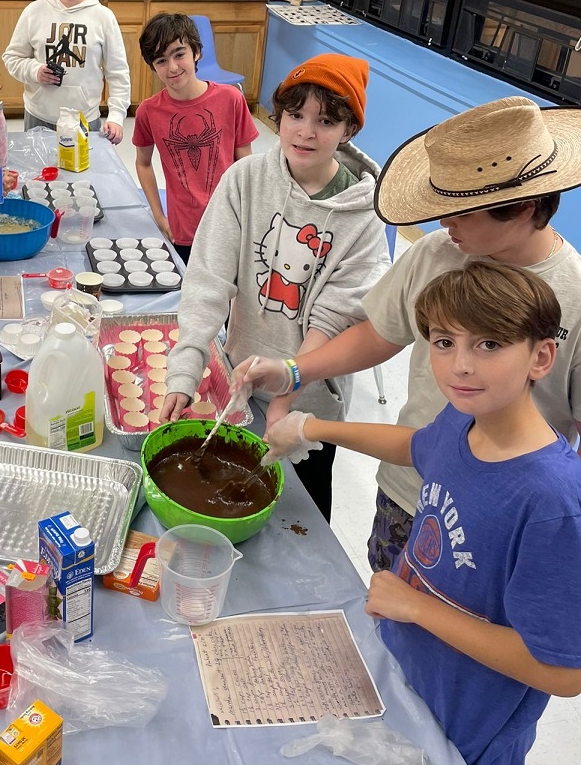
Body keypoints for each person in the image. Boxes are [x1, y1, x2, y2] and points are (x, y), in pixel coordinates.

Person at [233, 95, 581, 570]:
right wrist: (294, 372)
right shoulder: (437, 253)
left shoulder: (574, 295)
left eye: (462, 211)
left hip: (502, 517)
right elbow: (378, 334)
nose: (443, 222)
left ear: (522, 208)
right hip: (408, 489)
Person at [263, 261, 581, 765]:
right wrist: (311, 428)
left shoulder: (553, 504)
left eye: (490, 344)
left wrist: (416, 607)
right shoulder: (464, 419)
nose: (460, 366)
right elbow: (416, 447)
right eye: (443, 341)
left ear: (542, 356)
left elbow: (563, 673)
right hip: (404, 672)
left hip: (466, 730)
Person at [158, 54, 390, 521]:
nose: (305, 131)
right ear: (277, 116)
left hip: (308, 409)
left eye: (325, 121)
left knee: (300, 523)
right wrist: (186, 369)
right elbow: (208, 280)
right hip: (240, 388)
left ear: (348, 131)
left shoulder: (364, 214)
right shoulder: (245, 181)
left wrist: (287, 399)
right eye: (295, 115)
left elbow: (335, 318)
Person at [133, 13, 257, 264]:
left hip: (229, 224)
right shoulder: (148, 111)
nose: (173, 67)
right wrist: (159, 216)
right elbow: (143, 163)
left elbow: (246, 164)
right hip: (183, 231)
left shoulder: (231, 99)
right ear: (153, 66)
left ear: (196, 52)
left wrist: (247, 217)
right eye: (161, 60)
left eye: (179, 54)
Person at [1, 0, 130, 145]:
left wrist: (116, 117)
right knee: (39, 176)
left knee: (82, 176)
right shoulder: (33, 12)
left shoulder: (104, 17)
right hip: (38, 116)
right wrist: (35, 71)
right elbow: (12, 58)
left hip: (85, 118)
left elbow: (118, 72)